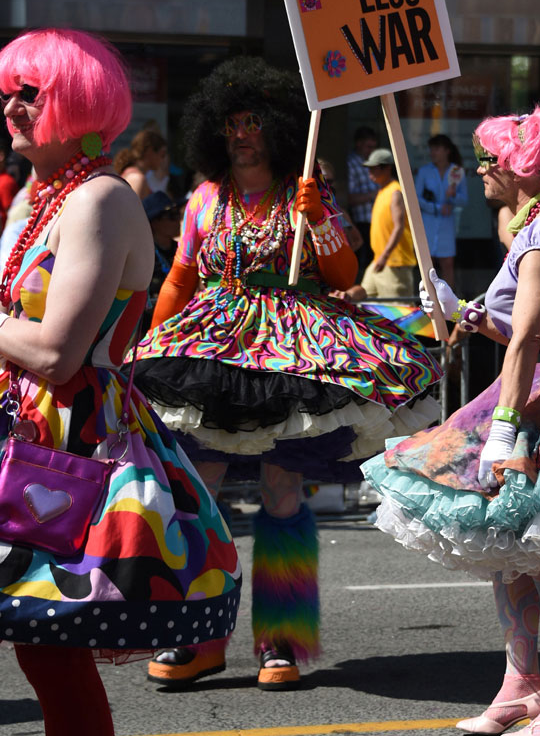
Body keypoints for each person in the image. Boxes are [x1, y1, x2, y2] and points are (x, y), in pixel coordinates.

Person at [0, 29, 241, 736]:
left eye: (30, 90)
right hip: (22, 436)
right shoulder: (38, 197)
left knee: (54, 663)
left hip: (71, 447)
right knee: (40, 664)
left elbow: (60, 352)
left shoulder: (99, 199)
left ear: (75, 99)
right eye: (8, 90)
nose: (12, 105)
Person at [134, 58, 442, 689]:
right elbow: (179, 280)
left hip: (294, 352)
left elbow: (341, 273)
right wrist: (144, 348)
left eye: (253, 122)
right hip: (214, 352)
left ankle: (282, 641)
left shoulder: (307, 193)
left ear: (275, 129)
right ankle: (199, 637)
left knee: (280, 492)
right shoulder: (203, 199)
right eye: (231, 124)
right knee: (202, 494)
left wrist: (320, 221)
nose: (242, 133)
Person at [364, 108, 540, 736]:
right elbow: (518, 325)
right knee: (510, 553)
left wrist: (504, 428)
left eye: (491, 159)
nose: (482, 170)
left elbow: (532, 336)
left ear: (523, 166)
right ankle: (521, 684)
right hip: (533, 388)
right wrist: (462, 312)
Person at [361, 147, 418, 299]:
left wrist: (385, 256)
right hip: (379, 261)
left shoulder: (395, 191)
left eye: (374, 168)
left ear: (387, 168)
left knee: (400, 312)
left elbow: (399, 227)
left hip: (394, 263)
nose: (370, 172)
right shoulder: (383, 191)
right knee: (362, 301)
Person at [415, 133, 468, 286]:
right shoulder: (424, 171)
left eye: (436, 149)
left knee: (447, 263)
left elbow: (464, 200)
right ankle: (428, 300)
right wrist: (436, 208)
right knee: (427, 264)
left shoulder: (456, 171)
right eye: (431, 149)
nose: (432, 153)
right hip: (428, 222)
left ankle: (449, 304)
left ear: (447, 150)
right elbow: (416, 198)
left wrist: (452, 197)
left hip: (447, 224)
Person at [141, 190, 185, 330]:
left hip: (179, 321)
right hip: (149, 323)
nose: (178, 220)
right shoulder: (145, 253)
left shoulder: (182, 250)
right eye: (171, 216)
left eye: (178, 213)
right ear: (154, 222)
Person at [346, 124, 378, 270]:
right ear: (359, 144)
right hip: (360, 222)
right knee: (362, 262)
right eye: (368, 147)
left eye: (373, 147)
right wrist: (373, 195)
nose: (371, 151)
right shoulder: (351, 163)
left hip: (375, 220)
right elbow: (349, 198)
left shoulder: (372, 163)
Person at [113, 128, 169, 200]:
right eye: (162, 155)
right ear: (150, 151)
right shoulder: (138, 179)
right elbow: (132, 211)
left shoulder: (130, 173)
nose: (163, 160)